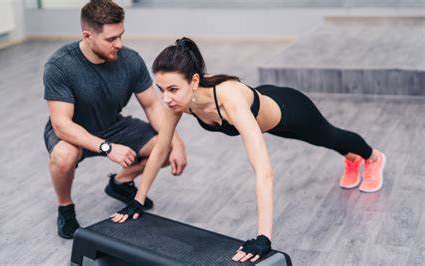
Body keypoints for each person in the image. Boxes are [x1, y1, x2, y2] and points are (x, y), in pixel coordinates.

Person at [109, 37, 386, 262]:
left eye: (172, 89)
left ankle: (372, 157)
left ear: (194, 81)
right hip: (263, 109)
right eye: (161, 89)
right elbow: (160, 149)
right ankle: (352, 158)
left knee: (330, 137)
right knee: (331, 142)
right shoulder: (179, 101)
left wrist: (263, 237)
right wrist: (139, 199)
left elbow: (263, 171)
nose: (165, 98)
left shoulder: (229, 99)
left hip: (290, 111)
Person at [43, 0, 187, 240]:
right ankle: (65, 207)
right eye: (111, 39)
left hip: (113, 124)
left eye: (121, 35)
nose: (119, 44)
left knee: (166, 147)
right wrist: (106, 147)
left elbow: (152, 105)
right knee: (63, 156)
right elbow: (62, 125)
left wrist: (176, 141)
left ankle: (121, 182)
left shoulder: (130, 60)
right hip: (74, 131)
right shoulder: (60, 65)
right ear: (88, 36)